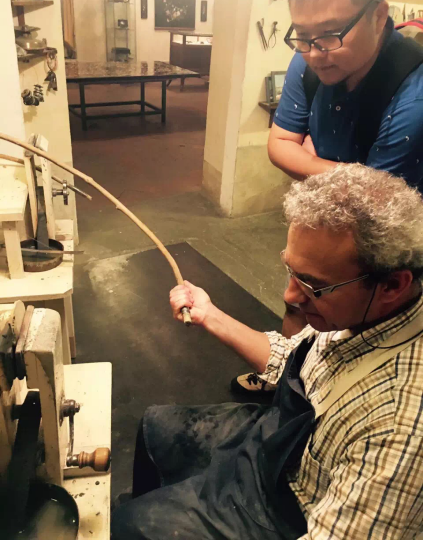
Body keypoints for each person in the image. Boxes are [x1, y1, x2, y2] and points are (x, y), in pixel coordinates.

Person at [112, 164, 423, 541]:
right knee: (154, 427)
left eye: (313, 286)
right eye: (291, 271)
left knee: (128, 527)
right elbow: (295, 358)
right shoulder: (359, 311)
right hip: (283, 441)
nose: (289, 295)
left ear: (392, 285)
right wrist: (210, 315)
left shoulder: (398, 427)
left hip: (292, 508)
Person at [233, 0, 424, 394]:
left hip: (387, 245)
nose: (314, 52)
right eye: (302, 35)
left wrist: (311, 160)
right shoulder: (311, 62)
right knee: (299, 297)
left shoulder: (414, 96)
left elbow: (372, 204)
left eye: (330, 34)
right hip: (331, 218)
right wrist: (347, 173)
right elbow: (279, 146)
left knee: (358, 332)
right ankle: (284, 385)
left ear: (378, 15)